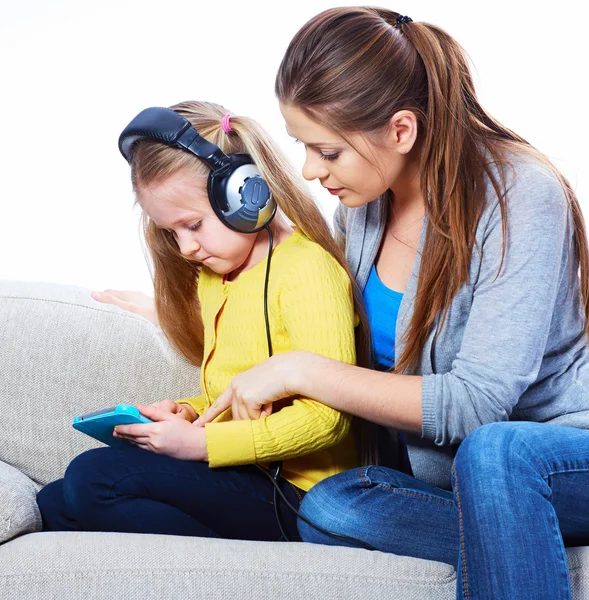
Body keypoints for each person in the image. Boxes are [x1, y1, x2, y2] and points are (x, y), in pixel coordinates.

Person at [193, 8, 589, 600]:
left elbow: (478, 406)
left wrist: (306, 371)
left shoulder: (521, 195)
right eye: (302, 147)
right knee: (333, 504)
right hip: (461, 485)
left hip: (568, 456)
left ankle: (517, 526)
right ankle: (518, 539)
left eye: (328, 152)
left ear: (402, 130)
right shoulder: (360, 212)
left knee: (498, 450)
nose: (309, 171)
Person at [36, 100, 370, 543]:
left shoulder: (306, 269)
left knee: (94, 479)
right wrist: (191, 411)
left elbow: (329, 421)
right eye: (172, 233)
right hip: (244, 472)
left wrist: (199, 444)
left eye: (192, 224)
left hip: (301, 495)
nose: (186, 247)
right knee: (55, 502)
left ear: (246, 194)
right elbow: (234, 391)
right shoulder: (216, 277)